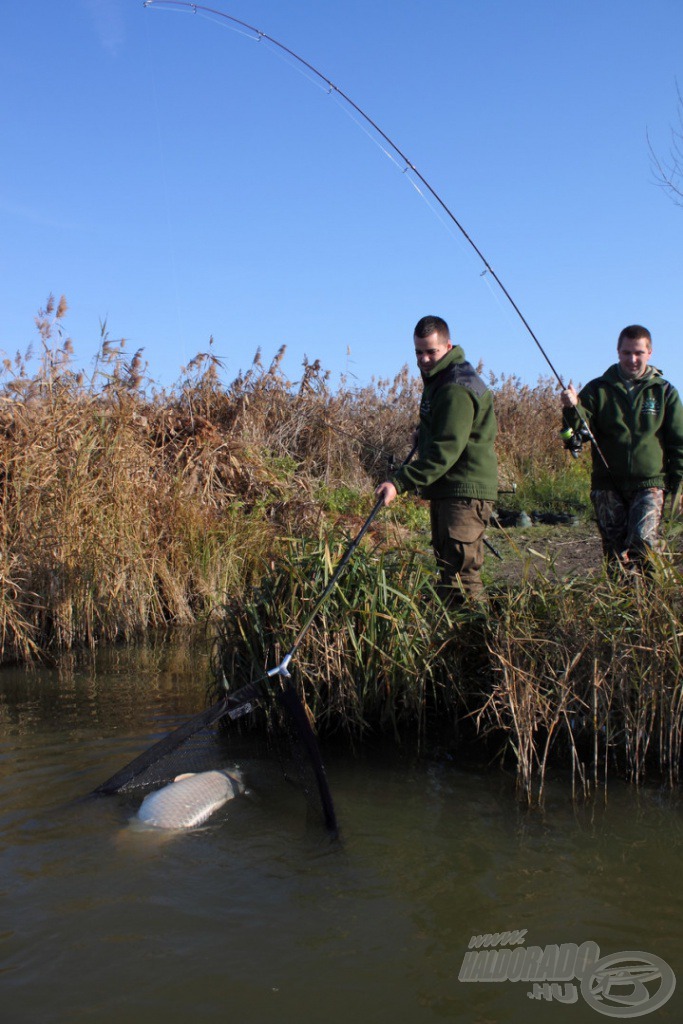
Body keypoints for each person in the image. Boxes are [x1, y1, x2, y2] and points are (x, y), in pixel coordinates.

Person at [375, 315, 498, 603]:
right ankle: (456, 640)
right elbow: (447, 435)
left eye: (432, 351)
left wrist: (398, 482)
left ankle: (479, 643)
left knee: (462, 577)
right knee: (448, 573)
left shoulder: (454, 387)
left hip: (463, 492)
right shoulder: (441, 380)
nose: (425, 359)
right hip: (450, 489)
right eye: (419, 352)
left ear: (448, 345)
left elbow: (446, 452)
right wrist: (425, 436)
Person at [560, 324, 683, 566]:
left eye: (638, 353)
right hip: (607, 484)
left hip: (650, 483)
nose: (633, 359)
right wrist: (571, 406)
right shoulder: (598, 389)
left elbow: (678, 444)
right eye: (627, 353)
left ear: (650, 352)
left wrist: (679, 488)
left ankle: (652, 598)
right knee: (615, 553)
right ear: (618, 352)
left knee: (643, 542)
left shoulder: (664, 392)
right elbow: (577, 431)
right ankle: (623, 600)